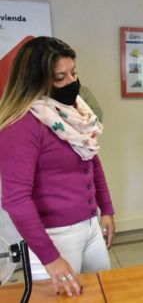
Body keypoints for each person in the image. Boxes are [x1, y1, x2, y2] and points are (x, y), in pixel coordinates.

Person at [0, 37, 115, 296]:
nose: (71, 82)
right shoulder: (21, 125)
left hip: (89, 225)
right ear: (35, 80)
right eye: (60, 77)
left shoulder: (72, 113)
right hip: (54, 236)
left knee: (104, 292)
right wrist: (51, 259)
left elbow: (92, 160)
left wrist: (106, 209)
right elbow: (16, 200)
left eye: (73, 73)